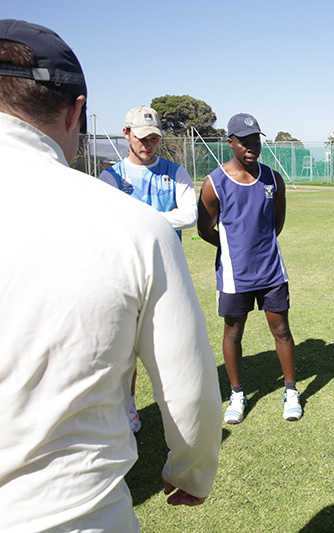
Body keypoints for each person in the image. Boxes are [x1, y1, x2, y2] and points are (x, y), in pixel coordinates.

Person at [0, 19, 221, 532]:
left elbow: (189, 212)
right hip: (75, 516)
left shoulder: (158, 190)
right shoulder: (132, 224)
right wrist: (193, 471)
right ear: (78, 110)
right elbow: (191, 394)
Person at [197, 113, 302, 424]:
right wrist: (233, 249)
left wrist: (259, 247)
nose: (251, 146)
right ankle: (237, 393)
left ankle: (291, 391)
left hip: (271, 272)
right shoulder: (214, 183)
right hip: (234, 274)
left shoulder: (272, 178)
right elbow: (205, 229)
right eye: (244, 141)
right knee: (233, 332)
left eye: (255, 139)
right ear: (230, 142)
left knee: (281, 330)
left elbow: (276, 223)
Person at [100, 105, 199, 433]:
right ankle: (129, 407)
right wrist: (160, 218)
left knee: (174, 348)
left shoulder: (175, 172)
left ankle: (177, 408)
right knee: (125, 351)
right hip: (125, 277)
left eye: (154, 138)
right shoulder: (111, 177)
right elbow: (110, 225)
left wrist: (139, 218)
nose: (148, 144)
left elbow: (190, 215)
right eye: (141, 137)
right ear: (126, 134)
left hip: (169, 274)